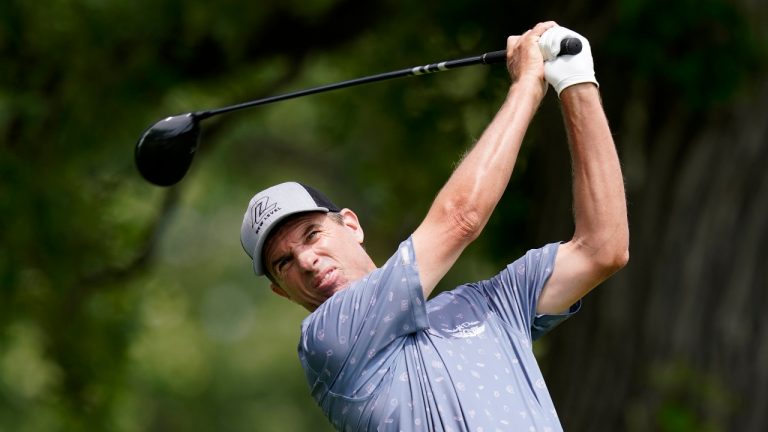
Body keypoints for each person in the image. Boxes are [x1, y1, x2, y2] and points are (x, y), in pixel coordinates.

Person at [240, 21, 628, 432]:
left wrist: (576, 79)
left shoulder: (487, 306)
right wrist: (528, 85)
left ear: (351, 225)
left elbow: (602, 249)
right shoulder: (328, 339)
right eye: (283, 262)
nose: (307, 261)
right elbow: (460, 218)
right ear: (279, 290)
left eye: (312, 235)